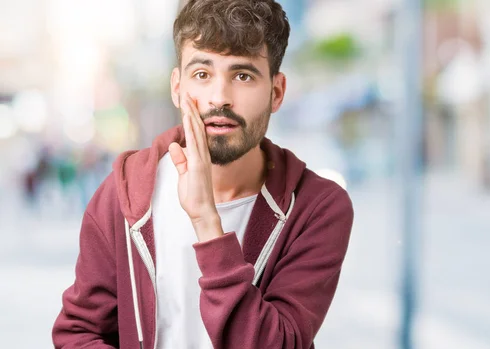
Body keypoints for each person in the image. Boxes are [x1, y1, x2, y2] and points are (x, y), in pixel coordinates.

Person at [51, 0, 354, 348]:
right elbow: (78, 332)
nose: (219, 98)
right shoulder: (126, 193)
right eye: (202, 74)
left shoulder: (318, 207)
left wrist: (207, 223)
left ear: (277, 92)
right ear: (177, 88)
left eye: (243, 75)